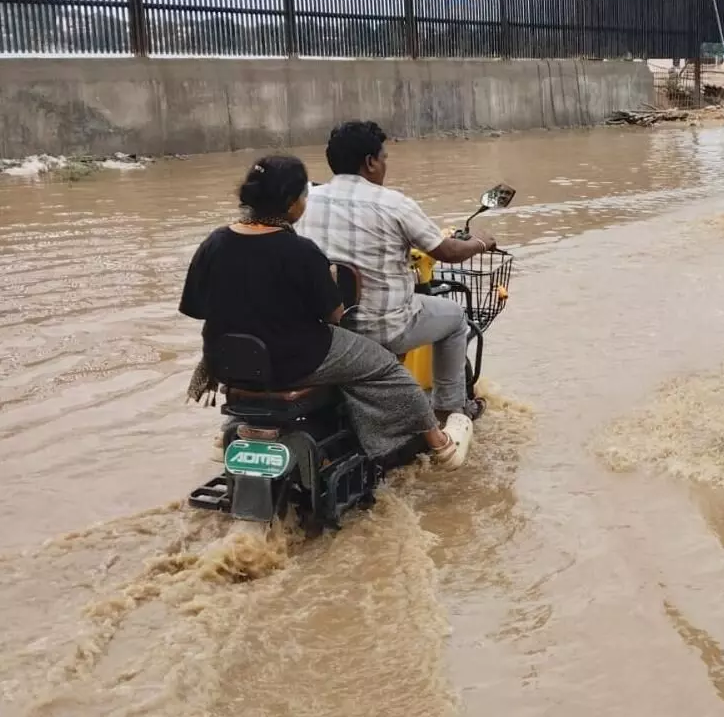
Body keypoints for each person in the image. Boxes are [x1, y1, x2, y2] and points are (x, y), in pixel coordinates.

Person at [179, 155, 461, 466]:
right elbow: (334, 316)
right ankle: (439, 443)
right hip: (295, 361)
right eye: (303, 195)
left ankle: (231, 433)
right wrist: (325, 280)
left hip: (227, 360)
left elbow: (197, 307)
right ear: (290, 203)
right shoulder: (300, 251)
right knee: (385, 367)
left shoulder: (214, 243)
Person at [297, 121, 494, 426]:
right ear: (370, 162)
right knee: (455, 318)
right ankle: (450, 410)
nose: (385, 164)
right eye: (385, 157)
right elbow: (448, 252)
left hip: (328, 327)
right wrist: (482, 242)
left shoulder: (306, 199)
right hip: (384, 327)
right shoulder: (393, 204)